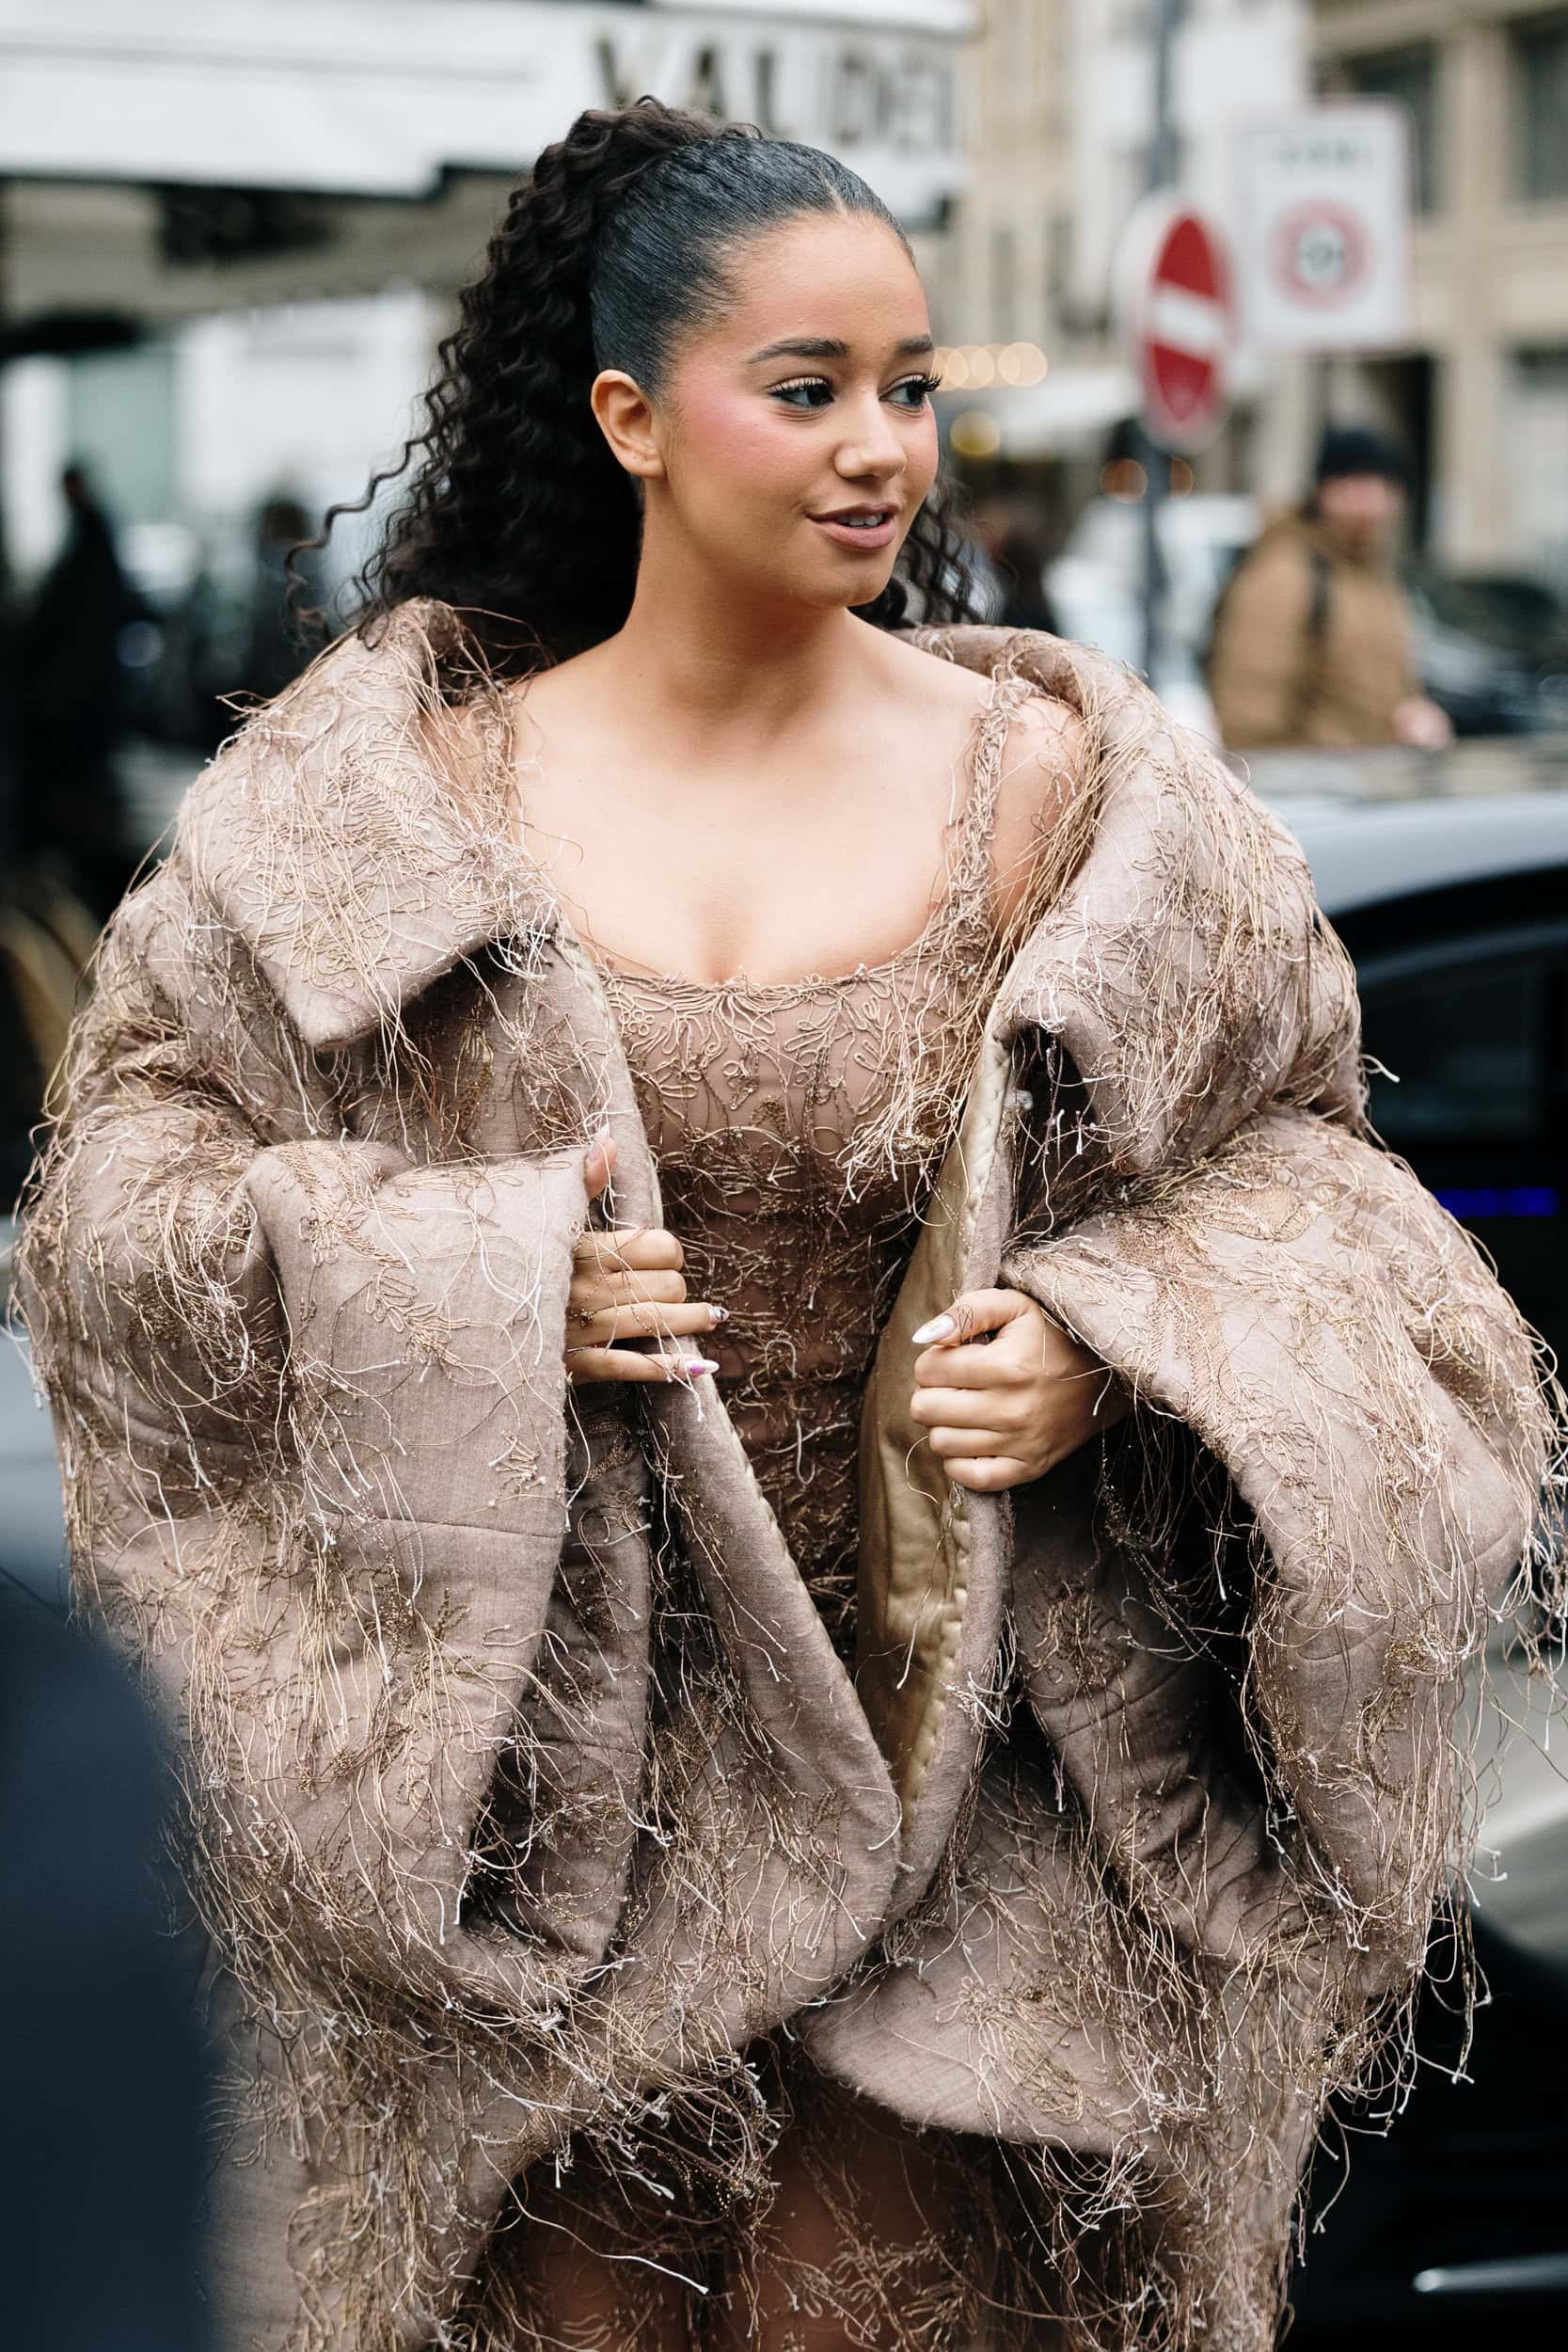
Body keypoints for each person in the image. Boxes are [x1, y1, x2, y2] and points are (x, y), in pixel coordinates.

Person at [18, 103, 1554, 2352]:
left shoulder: (1089, 817)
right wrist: (459, 1281)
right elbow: (110, 1236)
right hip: (546, 1867)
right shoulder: (375, 824)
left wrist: (1122, 1340)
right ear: (631, 418)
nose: (881, 450)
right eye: (809, 387)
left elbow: (1350, 1225)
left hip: (982, 1867)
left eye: (912, 389)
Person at [1207, 422, 1454, 751]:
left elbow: (1375, 690)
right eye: (1356, 484)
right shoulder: (1284, 576)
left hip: (1372, 787)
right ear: (1323, 490)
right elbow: (1248, 720)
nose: (1372, 501)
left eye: (1384, 486)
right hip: (1316, 794)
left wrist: (1411, 716)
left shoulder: (1375, 575)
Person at [13, 462, 140, 916]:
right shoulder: (90, 533)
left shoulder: (91, 535)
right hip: (82, 687)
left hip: (80, 688)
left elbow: (77, 616)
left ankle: (84, 876)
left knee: (82, 786)